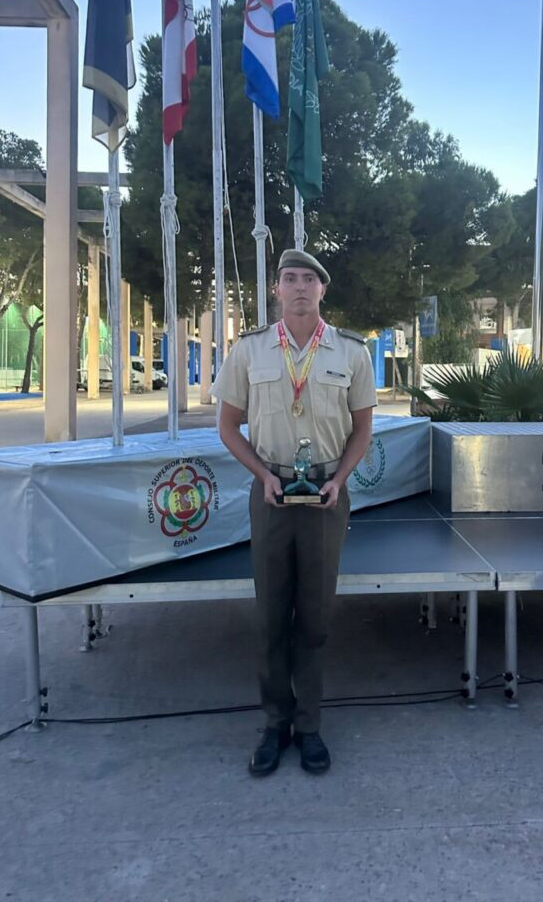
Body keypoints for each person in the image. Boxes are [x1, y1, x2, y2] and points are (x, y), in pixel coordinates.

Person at [213, 249, 377, 775]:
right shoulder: (250, 350)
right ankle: (273, 723)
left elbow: (363, 430)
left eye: (310, 278)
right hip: (272, 493)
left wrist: (338, 480)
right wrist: (263, 477)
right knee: (269, 617)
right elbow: (228, 426)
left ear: (323, 290)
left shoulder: (352, 352)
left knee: (314, 617)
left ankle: (308, 727)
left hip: (326, 492)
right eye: (290, 278)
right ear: (275, 290)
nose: (300, 286)